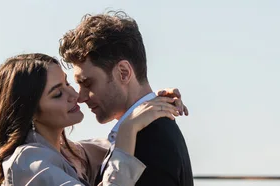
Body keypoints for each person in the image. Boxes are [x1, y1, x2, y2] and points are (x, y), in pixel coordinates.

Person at [0, 53, 188, 186]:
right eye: (57, 94)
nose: (74, 95)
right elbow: (123, 142)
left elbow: (117, 146)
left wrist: (154, 102)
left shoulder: (73, 153)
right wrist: (128, 128)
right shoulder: (28, 164)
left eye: (66, 84)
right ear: (31, 112)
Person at [59, 10, 194, 186]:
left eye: (88, 83)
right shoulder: (138, 134)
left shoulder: (151, 140)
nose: (80, 97)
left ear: (123, 73)